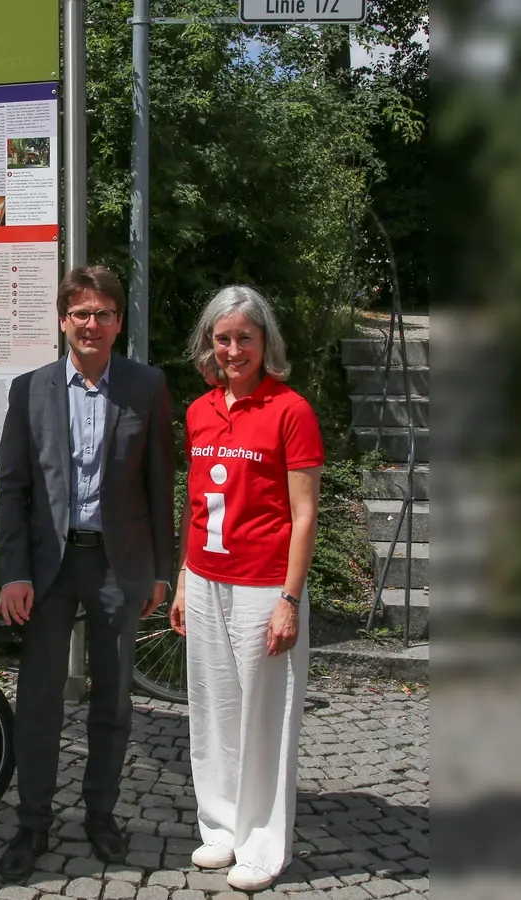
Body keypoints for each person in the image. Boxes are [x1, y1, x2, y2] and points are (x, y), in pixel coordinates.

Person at [0, 265, 176, 883]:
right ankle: (33, 822)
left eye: (102, 314)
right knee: (40, 699)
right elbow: (12, 488)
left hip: (118, 565)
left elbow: (160, 485)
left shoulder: (146, 387)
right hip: (50, 566)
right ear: (63, 321)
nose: (91, 324)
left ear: (118, 322)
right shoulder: (31, 389)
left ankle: (101, 813)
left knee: (113, 698)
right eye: (80, 314)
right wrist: (14, 573)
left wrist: (160, 570)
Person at [170, 285, 322, 892]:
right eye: (223, 338)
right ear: (209, 343)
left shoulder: (291, 410)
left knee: (266, 718)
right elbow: (195, 504)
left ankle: (262, 844)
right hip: (206, 579)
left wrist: (290, 599)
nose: (233, 350)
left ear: (265, 342)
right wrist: (184, 578)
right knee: (213, 711)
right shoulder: (200, 411)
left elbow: (304, 515)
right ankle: (222, 828)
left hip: (264, 585)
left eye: (245, 338)